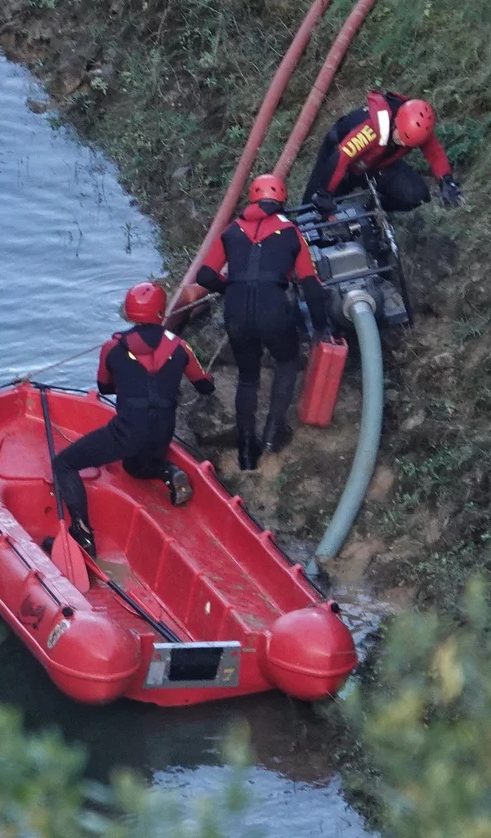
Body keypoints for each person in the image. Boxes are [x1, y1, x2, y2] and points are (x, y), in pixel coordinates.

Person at [51, 282, 215, 554]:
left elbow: (104, 387)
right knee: (133, 467)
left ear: (128, 313)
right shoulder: (180, 347)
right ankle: (168, 471)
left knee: (63, 465)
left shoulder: (112, 347)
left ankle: (82, 535)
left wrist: (130, 385)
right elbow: (204, 385)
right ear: (162, 313)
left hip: (127, 432)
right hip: (163, 432)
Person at [187, 174, 332, 470]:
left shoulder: (231, 231)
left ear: (253, 200)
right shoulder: (292, 232)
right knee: (287, 362)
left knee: (248, 377)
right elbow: (311, 285)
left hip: (237, 310)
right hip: (273, 308)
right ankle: (271, 435)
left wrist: (229, 288)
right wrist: (322, 327)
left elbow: (204, 276)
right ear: (281, 201)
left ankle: (245, 452)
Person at [303, 89, 465, 215]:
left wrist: (446, 181)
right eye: (400, 138)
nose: (402, 144)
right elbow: (341, 157)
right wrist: (324, 193)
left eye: (407, 143)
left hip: (377, 163)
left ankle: (372, 211)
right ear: (396, 123)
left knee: (416, 195)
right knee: (312, 210)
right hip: (340, 157)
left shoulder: (417, 127)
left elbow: (435, 152)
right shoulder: (371, 128)